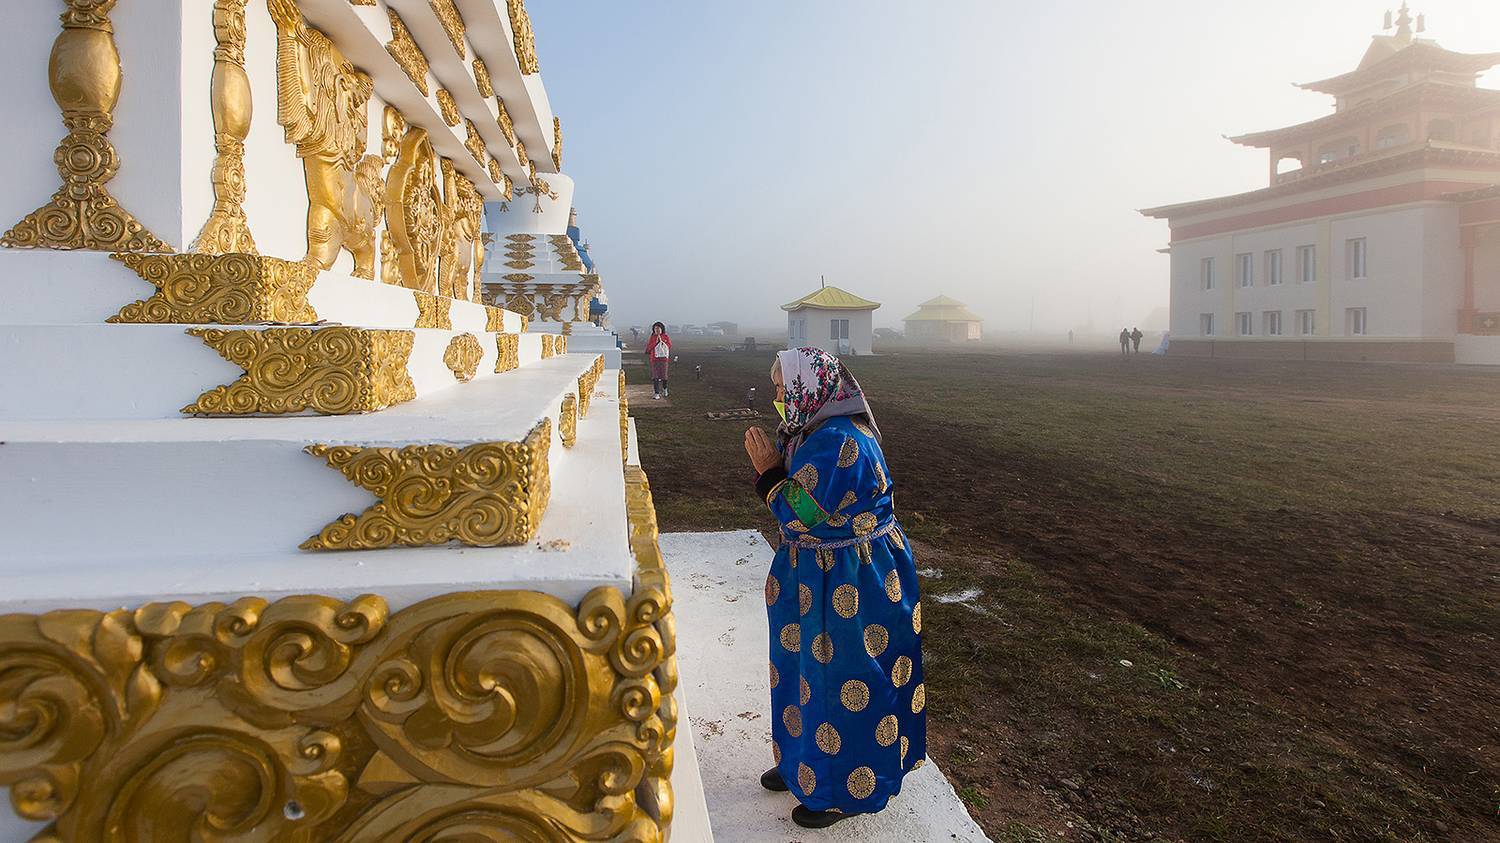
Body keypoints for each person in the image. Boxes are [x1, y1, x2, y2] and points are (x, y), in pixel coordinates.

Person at [742, 347, 926, 829]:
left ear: (810, 386)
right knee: (800, 671)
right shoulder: (812, 430)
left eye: (782, 388)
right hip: (816, 574)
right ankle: (803, 766)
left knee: (847, 680)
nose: (777, 397)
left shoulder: (840, 441)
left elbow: (797, 510)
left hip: (851, 580)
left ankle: (845, 790)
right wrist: (774, 469)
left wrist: (767, 472)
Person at [645, 322, 671, 399]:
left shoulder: (665, 336)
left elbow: (669, 345)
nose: (657, 330)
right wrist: (656, 343)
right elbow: (649, 348)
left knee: (664, 376)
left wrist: (663, 343)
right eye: (655, 328)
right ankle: (656, 393)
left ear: (662, 329)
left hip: (663, 360)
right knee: (655, 376)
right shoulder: (652, 337)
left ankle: (665, 388)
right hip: (654, 359)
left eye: (658, 328)